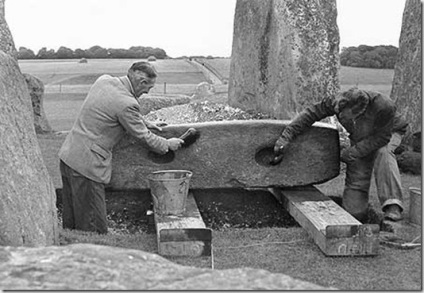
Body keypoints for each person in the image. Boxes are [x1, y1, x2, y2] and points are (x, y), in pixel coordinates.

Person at [58, 61, 184, 234]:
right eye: (149, 87)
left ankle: (71, 255)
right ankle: (95, 258)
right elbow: (143, 137)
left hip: (69, 155)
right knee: (93, 227)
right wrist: (168, 144)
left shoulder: (104, 81)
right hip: (87, 165)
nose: (148, 91)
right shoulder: (127, 103)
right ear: (141, 82)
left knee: (72, 223)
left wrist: (144, 122)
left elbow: (109, 108)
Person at [274, 87, 408, 222]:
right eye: (340, 114)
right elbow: (311, 114)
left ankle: (393, 204)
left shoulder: (384, 106)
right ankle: (354, 218)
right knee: (358, 173)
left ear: (360, 112)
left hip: (390, 131)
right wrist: (286, 136)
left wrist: (353, 151)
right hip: (361, 134)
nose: (341, 117)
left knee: (383, 152)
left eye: (346, 116)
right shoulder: (336, 100)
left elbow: (382, 138)